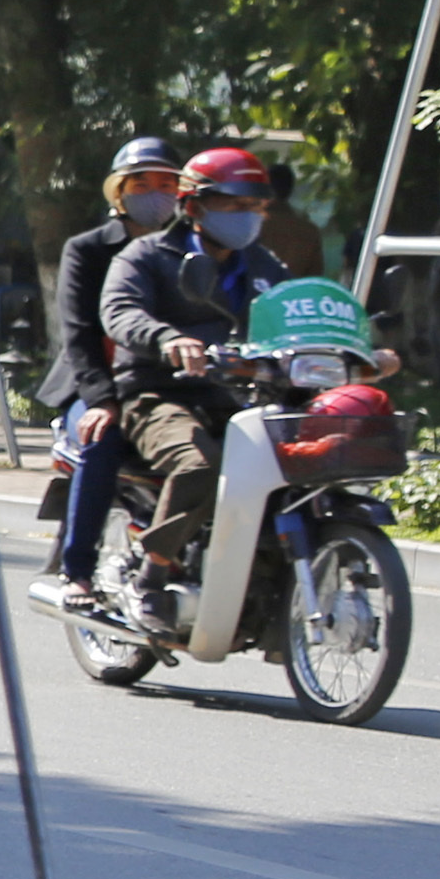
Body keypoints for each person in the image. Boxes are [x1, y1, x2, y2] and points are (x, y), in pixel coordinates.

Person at [103, 144, 298, 597]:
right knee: (201, 466)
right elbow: (121, 311)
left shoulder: (267, 266)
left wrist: (356, 351)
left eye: (255, 206)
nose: (247, 215)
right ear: (194, 206)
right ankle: (152, 573)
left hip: (241, 397)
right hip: (161, 395)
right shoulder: (145, 256)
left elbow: (296, 313)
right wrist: (168, 340)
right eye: (234, 204)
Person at [29, 138, 173, 611]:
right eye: (142, 184)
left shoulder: (186, 252)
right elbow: (79, 334)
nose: (156, 193)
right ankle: (78, 572)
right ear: (119, 192)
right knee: (101, 438)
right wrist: (101, 401)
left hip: (162, 387)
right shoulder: (87, 250)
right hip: (95, 387)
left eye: (167, 184)